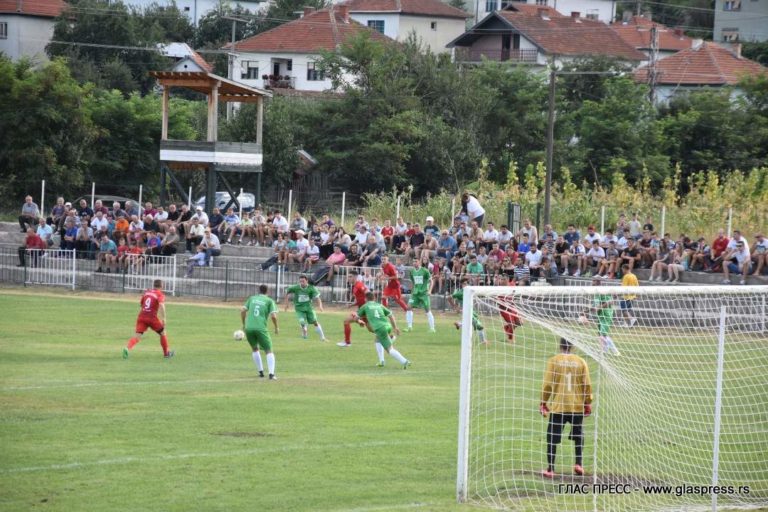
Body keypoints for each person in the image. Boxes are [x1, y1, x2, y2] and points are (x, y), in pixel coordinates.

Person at [540, 337, 592, 479]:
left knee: (552, 437)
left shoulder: (554, 361)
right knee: (578, 435)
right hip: (576, 406)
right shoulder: (581, 362)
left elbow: (548, 384)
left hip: (559, 406)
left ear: (560, 345)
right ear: (573, 347)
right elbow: (586, 384)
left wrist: (543, 402)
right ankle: (578, 464)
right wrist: (588, 402)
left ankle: (550, 469)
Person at [357, 292, 411, 368]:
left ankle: (404, 361)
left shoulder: (365, 306)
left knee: (390, 350)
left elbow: (356, 316)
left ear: (365, 299)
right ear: (374, 298)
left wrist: (359, 321)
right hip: (388, 326)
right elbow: (390, 315)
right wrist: (395, 327)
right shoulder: (379, 305)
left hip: (380, 328)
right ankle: (381, 361)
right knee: (377, 340)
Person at [122, 279, 174, 359]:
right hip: (152, 317)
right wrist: (164, 318)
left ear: (154, 285)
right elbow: (162, 305)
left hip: (142, 316)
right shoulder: (159, 294)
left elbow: (142, 304)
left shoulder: (147, 292)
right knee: (163, 333)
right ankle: (166, 354)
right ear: (161, 286)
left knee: (137, 336)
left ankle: (127, 348)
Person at [241, 284, 280, 380]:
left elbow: (242, 310)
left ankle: (261, 372)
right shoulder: (269, 301)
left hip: (249, 328)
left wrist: (244, 324)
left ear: (259, 291)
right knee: (269, 350)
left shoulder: (252, 298)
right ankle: (271, 374)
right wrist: (276, 327)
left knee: (255, 349)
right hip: (261, 328)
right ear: (268, 292)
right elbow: (274, 316)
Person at [284, 275, 327, 341]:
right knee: (302, 322)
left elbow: (317, 298)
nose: (301, 283)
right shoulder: (296, 287)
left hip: (309, 308)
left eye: (303, 281)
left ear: (307, 281)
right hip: (299, 309)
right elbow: (287, 292)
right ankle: (304, 333)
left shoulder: (311, 288)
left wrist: (320, 306)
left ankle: (322, 337)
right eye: (300, 281)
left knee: (315, 322)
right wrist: (286, 304)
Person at [583, 277, 619, 355]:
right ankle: (605, 351)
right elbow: (596, 305)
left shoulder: (601, 291)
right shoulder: (600, 291)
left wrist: (600, 306)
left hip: (606, 314)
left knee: (602, 334)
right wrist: (586, 311)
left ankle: (615, 351)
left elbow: (611, 301)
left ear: (598, 282)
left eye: (593, 281)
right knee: (601, 334)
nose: (592, 283)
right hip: (601, 314)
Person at [450, 277, 486, 344]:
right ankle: (483, 341)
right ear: (461, 284)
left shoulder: (470, 290)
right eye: (464, 284)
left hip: (472, 310)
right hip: (467, 311)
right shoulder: (460, 293)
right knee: (480, 326)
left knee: (469, 323)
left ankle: (460, 324)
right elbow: (449, 298)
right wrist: (455, 307)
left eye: (467, 284)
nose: (465, 285)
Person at [338, 270, 368, 347]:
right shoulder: (354, 287)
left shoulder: (359, 285)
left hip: (365, 310)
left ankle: (347, 342)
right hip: (363, 309)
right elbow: (360, 300)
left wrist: (369, 305)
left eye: (350, 277)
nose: (348, 278)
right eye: (348, 277)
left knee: (346, 321)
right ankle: (390, 336)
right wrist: (350, 305)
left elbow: (368, 293)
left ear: (355, 277)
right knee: (371, 329)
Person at [406, 258, 436, 333]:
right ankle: (409, 327)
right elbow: (413, 282)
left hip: (424, 293)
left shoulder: (425, 271)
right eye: (413, 261)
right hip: (415, 293)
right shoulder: (412, 271)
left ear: (419, 262)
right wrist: (412, 292)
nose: (414, 263)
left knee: (427, 309)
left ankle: (432, 328)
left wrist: (429, 291)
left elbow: (431, 281)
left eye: (416, 261)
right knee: (408, 307)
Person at [497, 274, 521, 343]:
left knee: (519, 323)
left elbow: (514, 292)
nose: (501, 281)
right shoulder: (498, 288)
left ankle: (506, 328)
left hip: (512, 307)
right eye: (501, 279)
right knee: (512, 323)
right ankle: (510, 339)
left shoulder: (512, 285)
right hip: (504, 308)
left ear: (507, 279)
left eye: (503, 279)